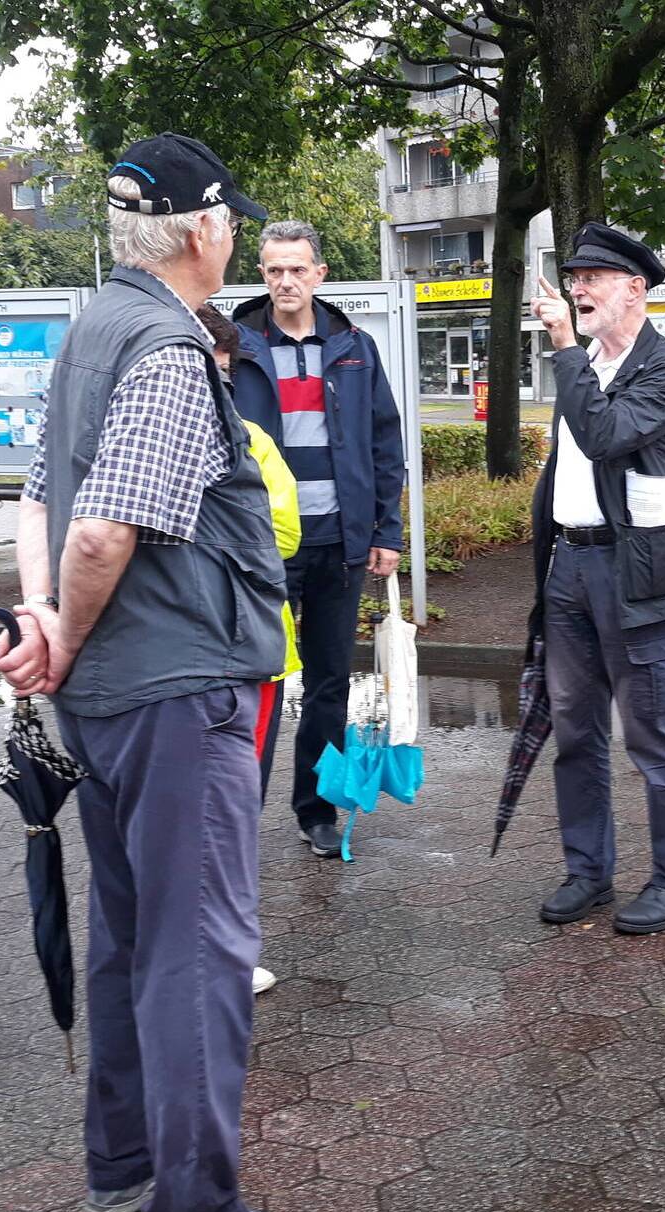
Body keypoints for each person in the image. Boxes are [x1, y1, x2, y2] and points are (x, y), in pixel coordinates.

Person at [0, 132, 335, 1212]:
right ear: (201, 233)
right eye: (229, 218)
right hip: (175, 691)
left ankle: (121, 1162)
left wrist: (42, 623)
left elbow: (43, 495)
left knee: (132, 932)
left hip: (109, 699)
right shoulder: (170, 351)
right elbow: (101, 525)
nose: (234, 233)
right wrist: (66, 629)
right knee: (201, 948)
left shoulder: (91, 326)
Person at [525, 221, 665, 935]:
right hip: (568, 568)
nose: (577, 289)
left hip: (637, 575)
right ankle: (588, 871)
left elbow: (604, 436)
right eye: (573, 278)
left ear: (634, 288)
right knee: (575, 730)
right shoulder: (589, 365)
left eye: (592, 278)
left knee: (651, 735)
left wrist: (567, 351)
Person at [230, 220, 406, 858]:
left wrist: (387, 529)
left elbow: (385, 442)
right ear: (263, 274)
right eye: (274, 270)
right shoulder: (234, 345)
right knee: (257, 680)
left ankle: (316, 809)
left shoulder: (354, 346)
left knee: (331, 681)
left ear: (319, 274)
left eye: (297, 269)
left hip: (340, 541)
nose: (285, 282)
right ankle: (237, 812)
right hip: (260, 547)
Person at [198, 300, 302, 998]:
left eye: (224, 372)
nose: (216, 385)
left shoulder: (253, 440)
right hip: (189, 657)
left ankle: (227, 948)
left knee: (237, 807)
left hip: (253, 652)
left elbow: (285, 533)